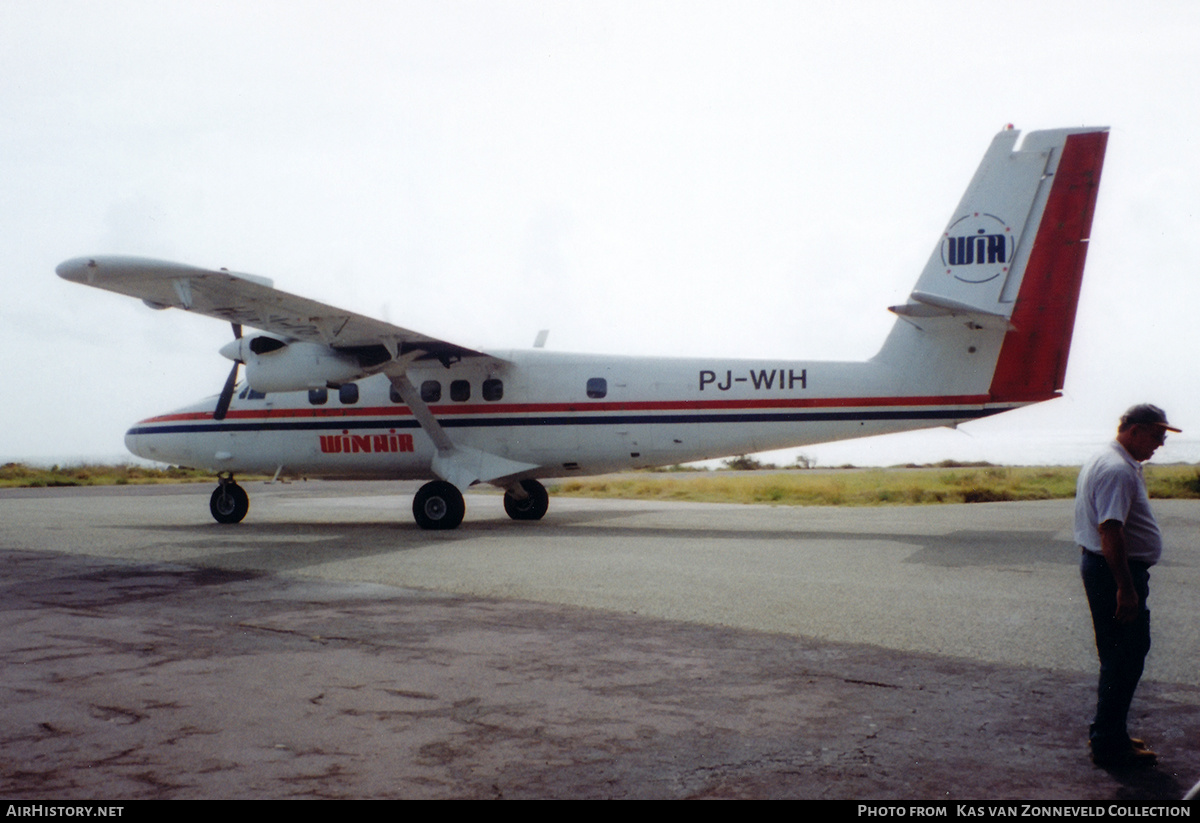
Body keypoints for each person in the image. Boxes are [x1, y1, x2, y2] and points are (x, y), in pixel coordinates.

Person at [1075, 403, 1180, 767]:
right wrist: (1125, 587)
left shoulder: (1109, 461)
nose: (1160, 443)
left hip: (1106, 570)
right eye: (1156, 434)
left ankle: (1111, 733)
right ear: (1133, 430)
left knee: (1119, 656)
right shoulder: (1117, 469)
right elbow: (1110, 528)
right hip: (1116, 573)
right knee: (1126, 656)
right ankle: (1108, 742)